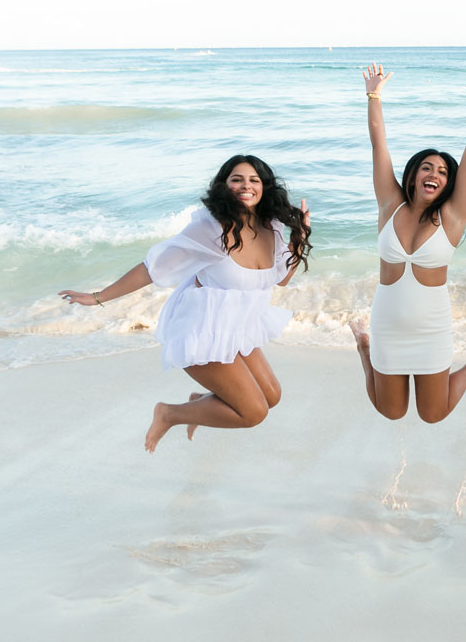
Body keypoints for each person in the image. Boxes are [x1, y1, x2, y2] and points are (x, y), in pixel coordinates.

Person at [59, 154, 312, 452]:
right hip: (201, 329)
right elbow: (153, 267)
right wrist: (97, 297)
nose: (246, 186)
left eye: (254, 180)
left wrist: (300, 238)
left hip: (238, 327)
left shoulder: (272, 227)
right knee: (254, 412)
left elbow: (280, 279)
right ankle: (169, 414)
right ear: (224, 186)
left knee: (271, 396)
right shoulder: (212, 229)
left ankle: (200, 404)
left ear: (265, 188)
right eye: (237, 179)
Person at [348, 63, 466, 423]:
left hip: (431, 329)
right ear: (413, 175)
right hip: (387, 325)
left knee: (433, 414)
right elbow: (378, 143)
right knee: (391, 412)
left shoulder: (452, 218)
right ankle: (364, 347)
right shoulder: (390, 205)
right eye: (428, 168)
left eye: (443, 172)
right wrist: (373, 95)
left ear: (448, 184)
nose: (435, 174)